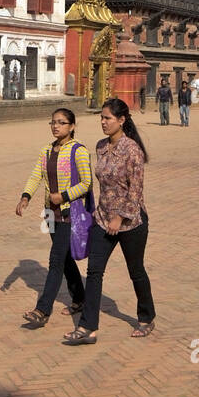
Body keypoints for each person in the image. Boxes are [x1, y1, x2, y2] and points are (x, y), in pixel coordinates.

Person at [64, 98, 155, 345]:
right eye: (101, 118)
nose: (103, 122)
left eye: (108, 118)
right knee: (94, 271)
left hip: (131, 222)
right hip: (102, 220)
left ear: (122, 120)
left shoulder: (132, 150)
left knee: (136, 271)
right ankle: (88, 327)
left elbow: (135, 191)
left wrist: (119, 217)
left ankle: (147, 317)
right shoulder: (101, 146)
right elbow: (99, 184)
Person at [17, 108, 93, 328]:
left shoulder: (78, 151)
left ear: (72, 126)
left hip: (69, 213)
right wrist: (25, 197)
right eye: (53, 122)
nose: (56, 126)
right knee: (65, 257)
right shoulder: (46, 151)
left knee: (55, 260)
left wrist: (64, 196)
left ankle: (42, 310)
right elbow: (36, 175)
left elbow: (86, 184)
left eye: (61, 122)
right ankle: (80, 297)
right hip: (50, 212)